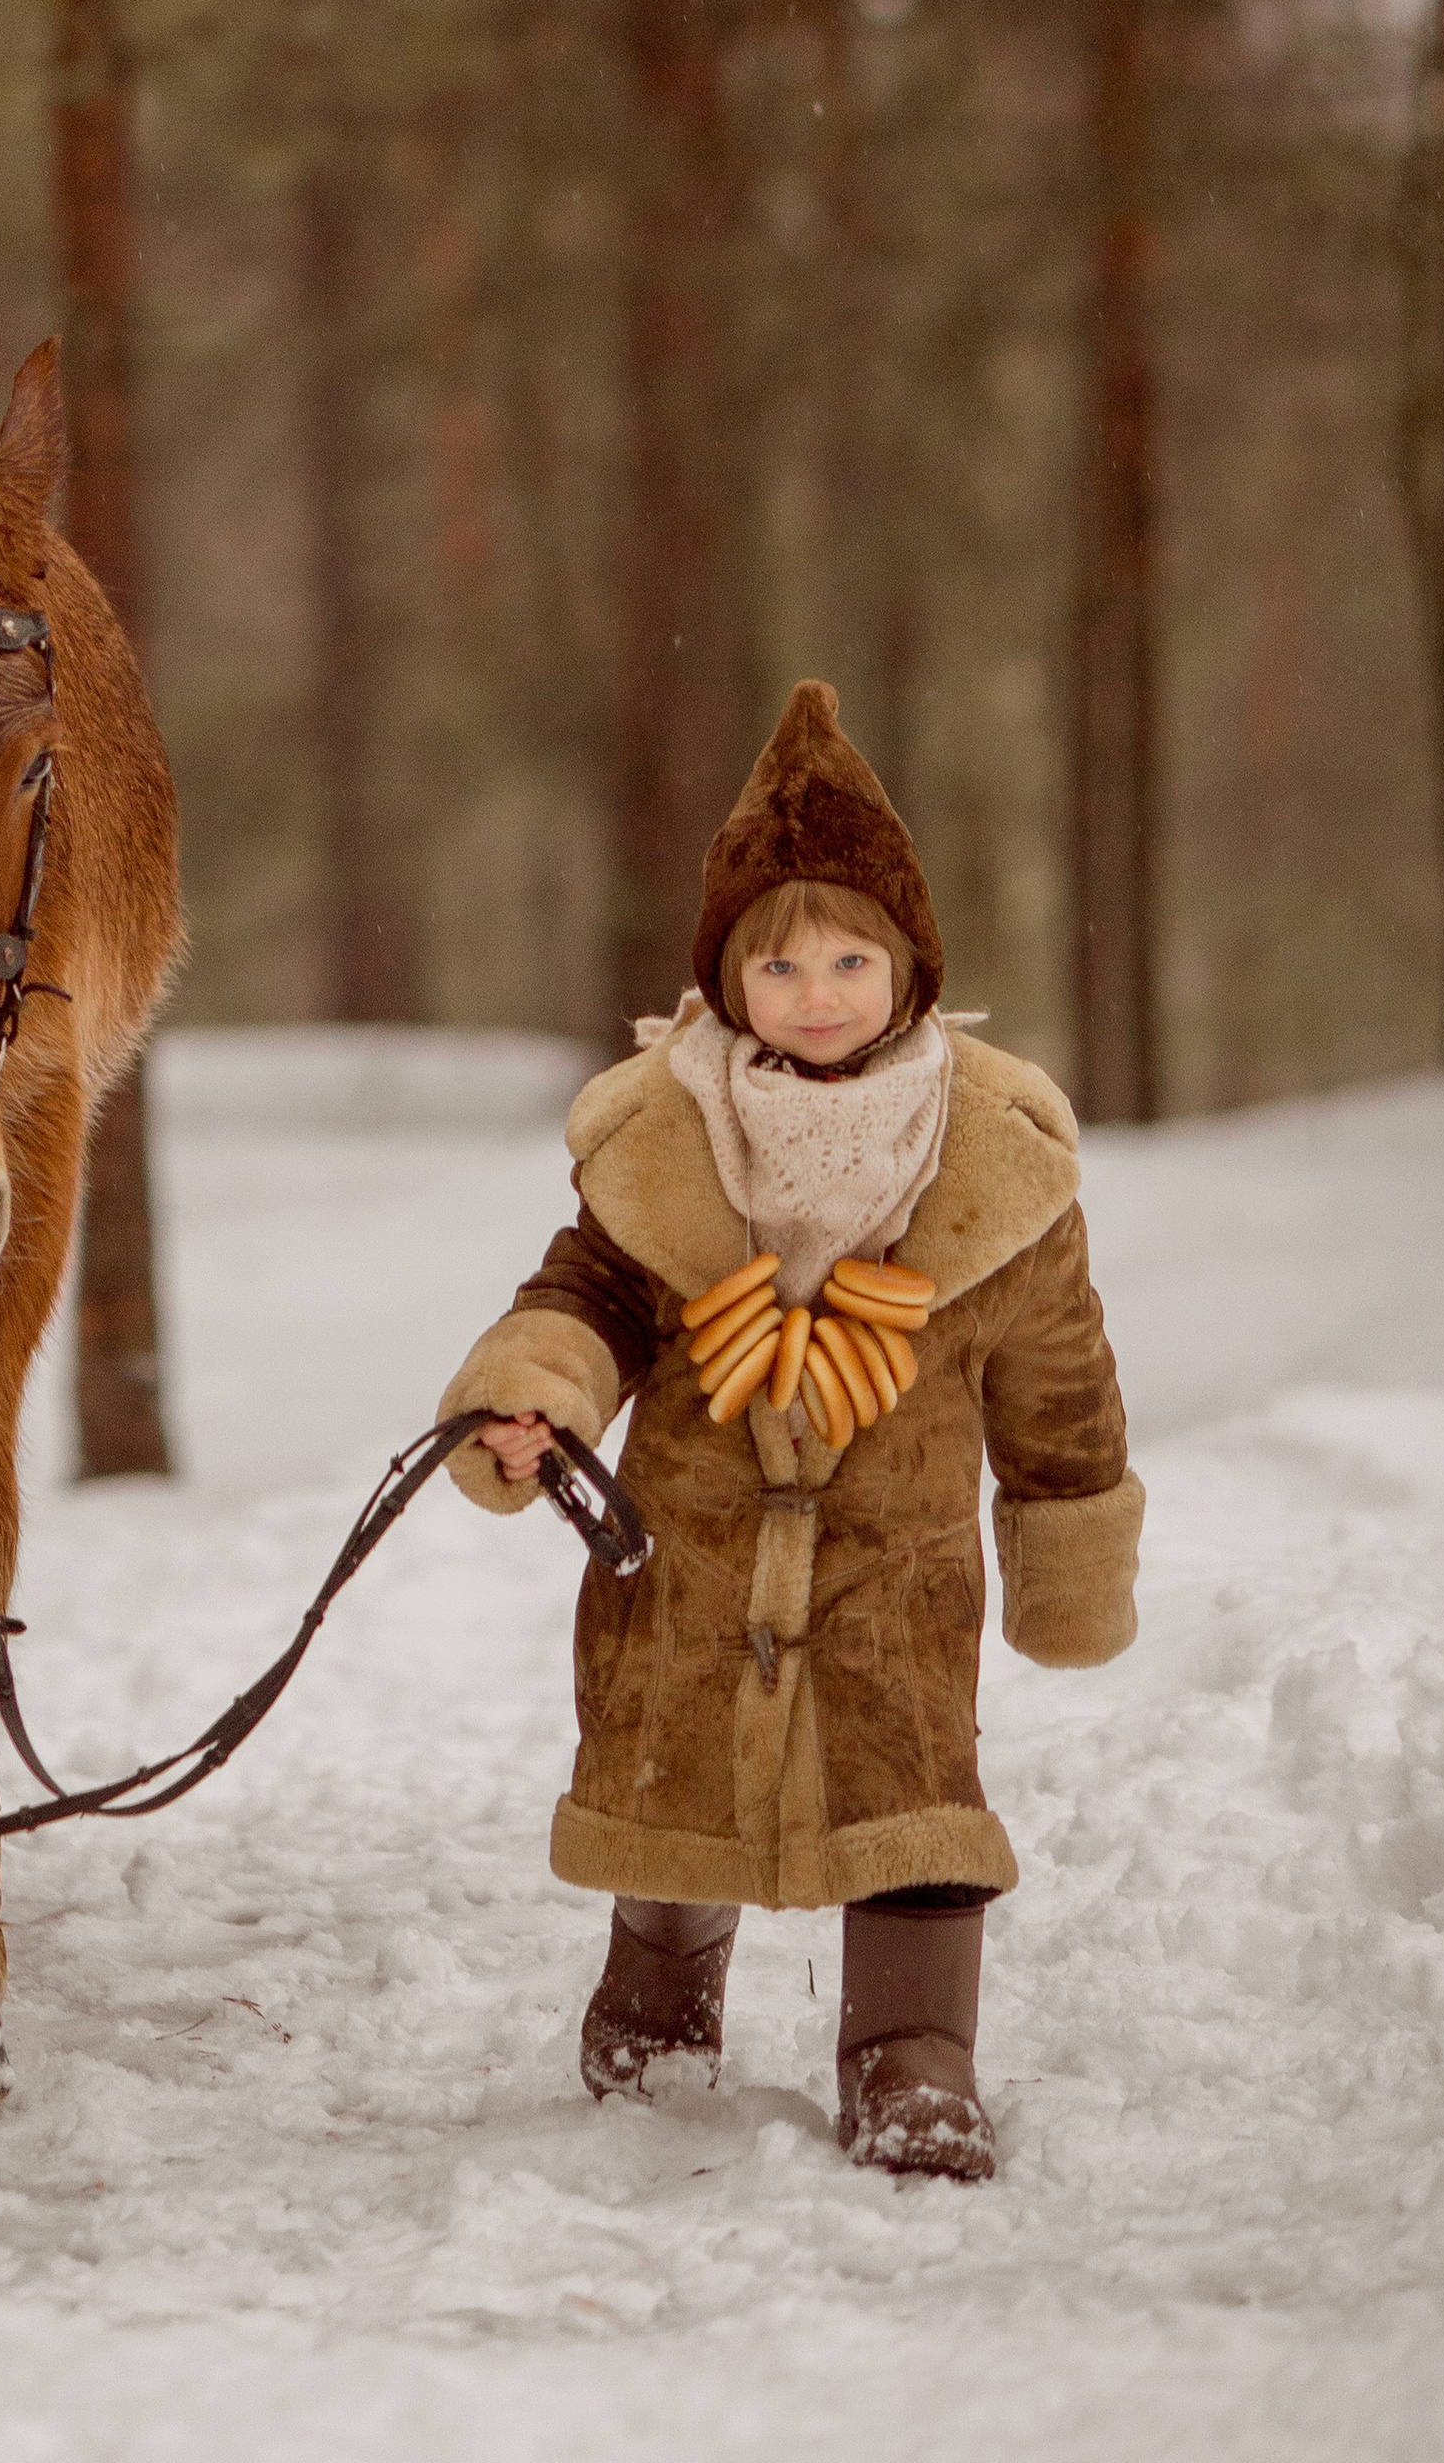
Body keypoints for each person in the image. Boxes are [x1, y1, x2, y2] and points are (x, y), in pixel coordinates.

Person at [439, 681, 1142, 2182]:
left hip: (899, 1567)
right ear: (726, 981)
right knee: (675, 1775)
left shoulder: (997, 1170)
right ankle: (656, 2000)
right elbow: (590, 1296)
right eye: (779, 964)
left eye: (850, 960)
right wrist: (540, 1389)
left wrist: (1067, 1540)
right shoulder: (665, 1145)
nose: (817, 993)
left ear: (911, 971)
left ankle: (913, 2055)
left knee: (913, 1796)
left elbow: (1060, 1371)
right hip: (691, 1547)